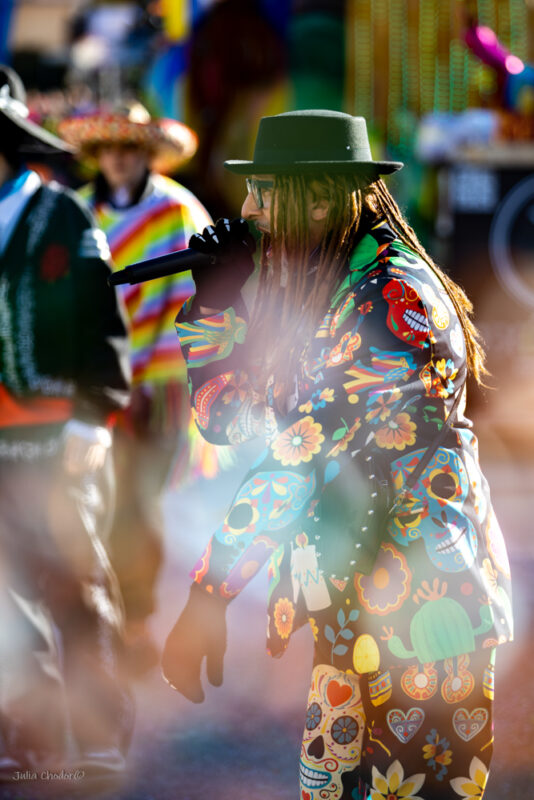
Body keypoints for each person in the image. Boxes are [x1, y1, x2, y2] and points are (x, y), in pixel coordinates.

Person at [161, 110, 514, 800]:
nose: (251, 211)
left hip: (423, 619)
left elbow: (298, 458)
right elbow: (240, 426)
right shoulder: (331, 290)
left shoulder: (391, 301)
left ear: (321, 199)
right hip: (356, 615)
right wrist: (217, 308)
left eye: (266, 192)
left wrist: (210, 592)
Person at [0, 66, 132, 778]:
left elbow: (102, 324)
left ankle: (99, 729)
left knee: (73, 583)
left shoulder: (64, 218)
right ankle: (26, 735)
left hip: (56, 430)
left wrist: (94, 417)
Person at [59, 103, 213, 674]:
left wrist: (148, 369)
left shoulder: (177, 211)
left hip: (158, 385)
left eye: (131, 149)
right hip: (93, 378)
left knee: (139, 501)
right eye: (110, 149)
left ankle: (136, 621)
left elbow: (192, 297)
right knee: (86, 499)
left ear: (148, 154)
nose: (120, 159)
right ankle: (88, 617)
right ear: (96, 155)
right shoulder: (76, 210)